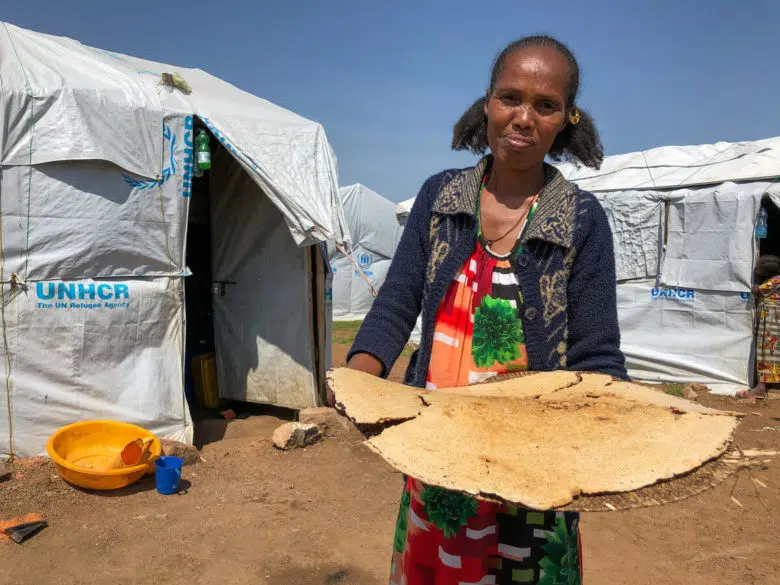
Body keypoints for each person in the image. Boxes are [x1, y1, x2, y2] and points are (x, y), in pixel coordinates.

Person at [347, 35, 627, 585]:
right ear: (487, 103)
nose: (523, 118)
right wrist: (360, 380)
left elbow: (597, 353)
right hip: (438, 457)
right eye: (509, 98)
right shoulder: (441, 199)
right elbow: (396, 304)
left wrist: (609, 433)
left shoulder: (581, 219)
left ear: (566, 118)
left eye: (545, 105)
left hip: (535, 467)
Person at [739, 255, 780, 398]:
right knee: (766, 351)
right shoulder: (773, 280)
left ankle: (761, 386)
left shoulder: (776, 280)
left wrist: (751, 280)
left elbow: (756, 290)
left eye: (758, 268)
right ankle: (763, 384)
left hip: (771, 321)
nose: (756, 270)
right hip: (768, 319)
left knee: (767, 352)